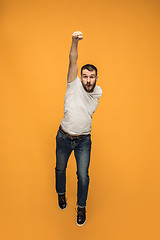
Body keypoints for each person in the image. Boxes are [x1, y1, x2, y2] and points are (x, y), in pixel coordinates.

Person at [55, 31, 102, 226]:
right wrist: (74, 42)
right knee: (60, 169)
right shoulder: (73, 84)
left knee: (83, 176)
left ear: (96, 78)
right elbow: (72, 60)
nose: (88, 80)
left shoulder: (97, 93)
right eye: (85, 76)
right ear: (79, 77)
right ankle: (61, 193)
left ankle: (81, 207)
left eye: (91, 77)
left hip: (83, 140)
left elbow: (92, 91)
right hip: (64, 137)